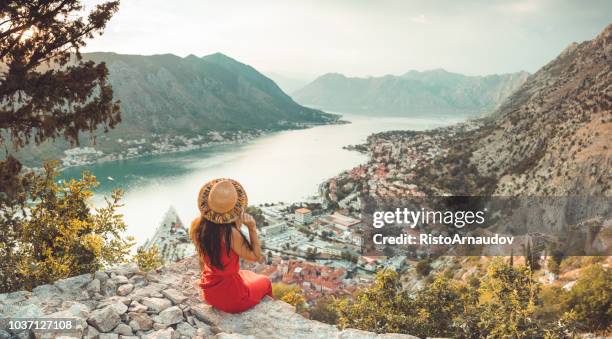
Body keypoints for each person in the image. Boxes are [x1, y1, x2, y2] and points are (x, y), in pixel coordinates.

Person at [189, 178, 272, 313]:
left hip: (209, 290)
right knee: (265, 281)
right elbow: (255, 256)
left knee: (246, 274)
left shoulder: (196, 226)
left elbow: (202, 260)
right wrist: (251, 228)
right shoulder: (229, 234)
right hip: (233, 298)